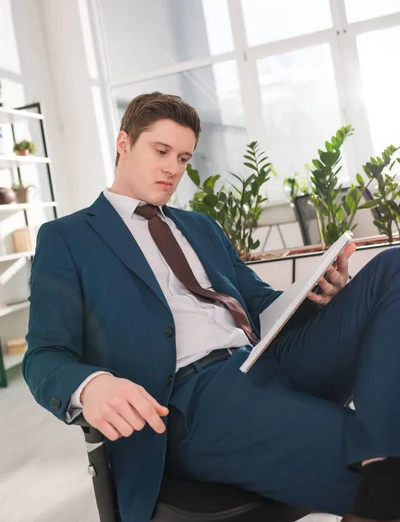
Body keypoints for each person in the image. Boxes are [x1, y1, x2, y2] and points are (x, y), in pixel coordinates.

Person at [23, 92, 400, 522]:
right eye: (161, 151)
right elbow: (44, 354)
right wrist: (91, 386)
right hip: (193, 397)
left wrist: (320, 296)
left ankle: (382, 466)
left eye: (183, 158)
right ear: (123, 143)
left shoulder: (200, 226)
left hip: (268, 359)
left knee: (392, 266)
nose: (172, 169)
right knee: (378, 477)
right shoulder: (67, 238)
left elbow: (260, 303)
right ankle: (382, 470)